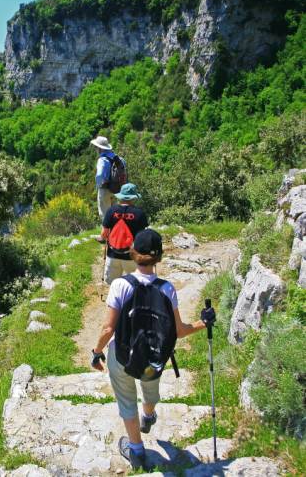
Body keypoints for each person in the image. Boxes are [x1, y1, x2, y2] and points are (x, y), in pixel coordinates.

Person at [91, 229, 216, 471]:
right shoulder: (167, 289)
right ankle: (148, 415)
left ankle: (136, 450)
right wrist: (204, 322)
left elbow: (108, 328)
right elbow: (179, 331)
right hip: (153, 359)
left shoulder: (120, 285)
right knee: (150, 393)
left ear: (133, 252)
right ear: (159, 257)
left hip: (122, 356)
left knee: (127, 402)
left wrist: (96, 352)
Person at [101, 183, 148, 284]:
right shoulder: (139, 213)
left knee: (113, 285)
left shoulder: (111, 210)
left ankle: (116, 299)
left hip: (113, 255)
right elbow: (142, 238)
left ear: (121, 196)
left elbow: (103, 234)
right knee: (135, 284)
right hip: (131, 257)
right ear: (133, 197)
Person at [90, 136, 121, 225]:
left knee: (104, 213)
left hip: (105, 189)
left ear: (99, 148)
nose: (95, 149)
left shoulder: (102, 160)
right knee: (116, 213)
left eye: (96, 147)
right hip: (117, 189)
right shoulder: (117, 158)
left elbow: (99, 175)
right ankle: (117, 232)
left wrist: (98, 184)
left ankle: (106, 235)